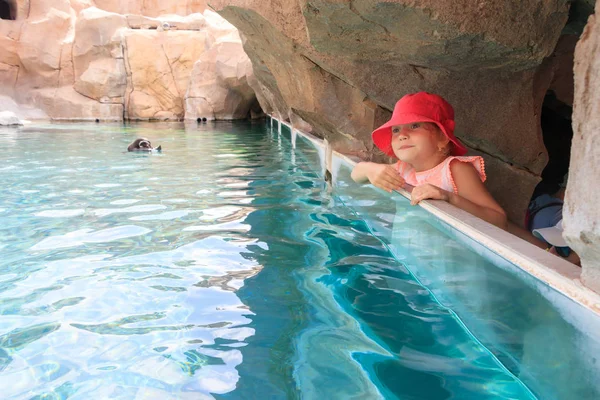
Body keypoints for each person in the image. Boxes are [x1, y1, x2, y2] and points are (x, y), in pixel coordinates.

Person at [351, 92, 507, 229]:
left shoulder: (454, 169)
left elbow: (498, 220)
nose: (402, 135)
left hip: (447, 259)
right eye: (396, 129)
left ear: (442, 138)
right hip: (406, 254)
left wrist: (449, 197)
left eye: (415, 125)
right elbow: (356, 175)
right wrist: (370, 169)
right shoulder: (404, 169)